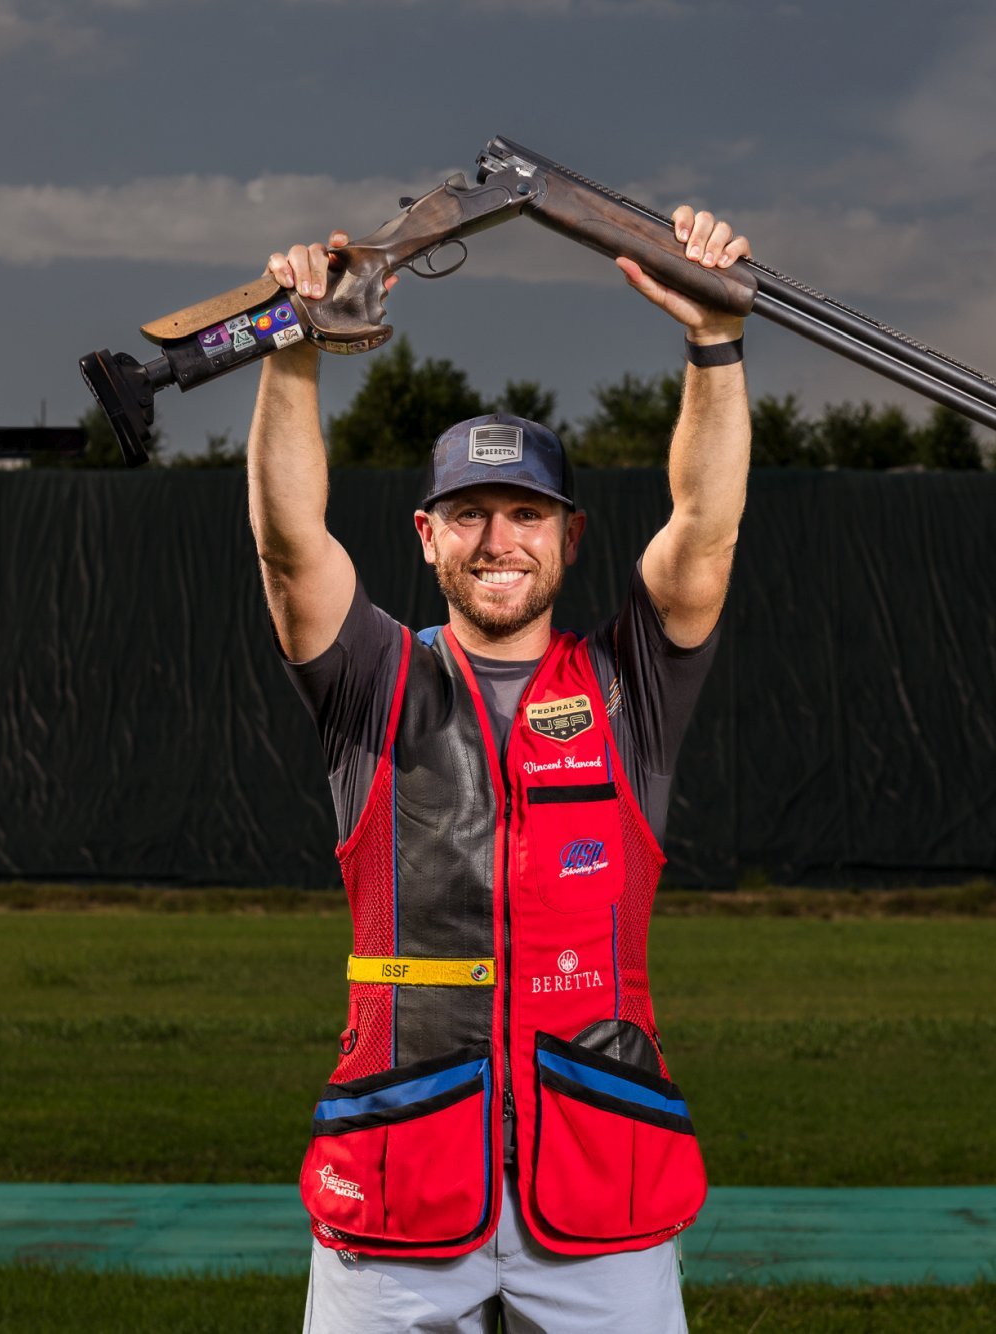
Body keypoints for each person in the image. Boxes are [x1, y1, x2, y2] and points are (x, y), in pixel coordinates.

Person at [251, 205, 753, 1334]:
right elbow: (288, 546)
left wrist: (715, 342)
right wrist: (292, 349)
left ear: (569, 537)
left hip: (601, 1179)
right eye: (469, 514)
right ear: (426, 536)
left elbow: (704, 529)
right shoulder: (371, 678)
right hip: (398, 1177)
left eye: (525, 512)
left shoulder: (630, 685)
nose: (497, 540)